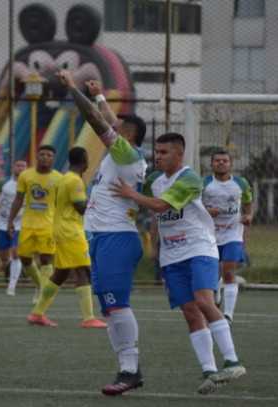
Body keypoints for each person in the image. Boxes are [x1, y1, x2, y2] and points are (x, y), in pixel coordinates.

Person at [111, 133, 246, 395]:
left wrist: (130, 194)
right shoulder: (154, 180)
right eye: (157, 152)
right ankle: (209, 370)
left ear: (179, 154)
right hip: (172, 254)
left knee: (204, 301)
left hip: (199, 247)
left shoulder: (190, 178)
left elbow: (161, 205)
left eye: (164, 152)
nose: (158, 156)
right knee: (189, 311)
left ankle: (233, 361)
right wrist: (153, 243)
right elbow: (152, 212)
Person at [57, 71, 147, 395]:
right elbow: (108, 118)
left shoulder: (125, 153)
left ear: (128, 136)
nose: (114, 127)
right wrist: (99, 96)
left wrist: (72, 90)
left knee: (116, 304)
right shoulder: (125, 153)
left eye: (120, 128)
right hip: (103, 237)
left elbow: (97, 122)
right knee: (109, 305)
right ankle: (128, 368)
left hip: (116, 238)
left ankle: (130, 369)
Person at [28, 147, 107, 329]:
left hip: (61, 229)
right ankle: (88, 318)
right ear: (85, 161)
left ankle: (37, 313)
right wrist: (100, 204)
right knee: (83, 270)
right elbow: (81, 207)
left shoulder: (65, 178)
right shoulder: (75, 181)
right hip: (70, 230)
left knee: (61, 274)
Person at [7, 145, 62, 314]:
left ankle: (44, 296)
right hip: (27, 224)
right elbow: (18, 199)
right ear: (37, 156)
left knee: (46, 259)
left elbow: (61, 204)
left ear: (53, 158)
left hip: (48, 225)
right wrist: (10, 220)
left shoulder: (59, 178)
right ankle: (39, 286)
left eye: (49, 155)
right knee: (24, 259)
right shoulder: (26, 175)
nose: (45, 157)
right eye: (42, 154)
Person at [202, 150, 253, 323]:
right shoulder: (205, 183)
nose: (221, 163)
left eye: (225, 160)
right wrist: (208, 211)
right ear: (212, 164)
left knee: (228, 271)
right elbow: (195, 207)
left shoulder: (240, 183)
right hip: (210, 235)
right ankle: (216, 297)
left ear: (231, 164)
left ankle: (228, 315)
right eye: (217, 161)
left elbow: (247, 203)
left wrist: (248, 216)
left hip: (233, 234)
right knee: (213, 274)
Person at [0, 159, 27, 296]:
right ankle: (7, 263)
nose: (20, 168)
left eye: (23, 166)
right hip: (2, 223)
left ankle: (12, 286)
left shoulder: (30, 183)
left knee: (16, 253)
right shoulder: (3, 183)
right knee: (4, 256)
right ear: (13, 167)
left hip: (19, 225)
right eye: (18, 165)